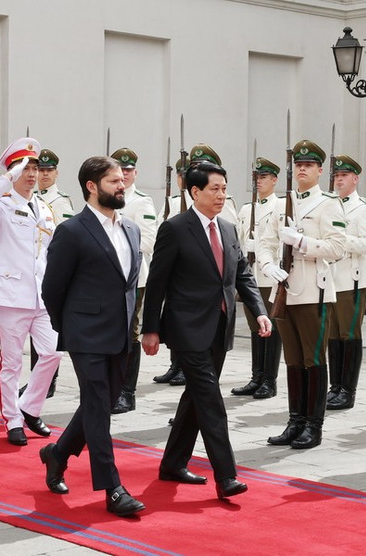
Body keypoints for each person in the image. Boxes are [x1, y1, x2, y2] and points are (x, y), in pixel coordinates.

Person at [142, 161, 272, 500]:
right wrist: (150, 329)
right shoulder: (175, 228)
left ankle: (172, 464)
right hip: (186, 328)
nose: (221, 195)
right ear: (195, 191)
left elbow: (242, 274)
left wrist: (258, 311)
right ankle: (226, 475)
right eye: (214, 189)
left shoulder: (228, 229)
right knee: (211, 400)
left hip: (220, 327)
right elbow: (157, 283)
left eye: (224, 188)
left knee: (196, 398)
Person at [39, 155, 145, 517]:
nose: (122, 186)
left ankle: (57, 453)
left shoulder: (130, 229)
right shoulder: (71, 231)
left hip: (121, 334)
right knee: (100, 408)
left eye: (122, 180)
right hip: (86, 335)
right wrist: (68, 327)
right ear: (92, 186)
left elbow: (129, 285)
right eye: (114, 181)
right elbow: (52, 288)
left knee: (100, 403)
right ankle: (112, 488)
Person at [257, 140, 347, 449]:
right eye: (298, 165)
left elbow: (337, 248)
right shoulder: (281, 203)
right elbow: (265, 242)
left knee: (313, 359)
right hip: (283, 290)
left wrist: (302, 242)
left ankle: (313, 424)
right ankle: (295, 421)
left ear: (320, 170)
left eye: (308, 165)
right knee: (293, 360)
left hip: (313, 292)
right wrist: (268, 266)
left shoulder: (329, 204)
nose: (302, 169)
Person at [0, 138, 62, 446]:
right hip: (11, 295)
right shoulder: (0, 205)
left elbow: (49, 251)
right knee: (11, 362)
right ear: (12, 173)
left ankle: (30, 407)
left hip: (40, 295)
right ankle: (12, 419)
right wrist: (7, 179)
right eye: (24, 168)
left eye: (35, 168)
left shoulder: (45, 207)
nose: (31, 174)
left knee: (53, 352)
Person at [20, 148, 74, 399]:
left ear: (56, 173)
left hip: (53, 270)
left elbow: (64, 241)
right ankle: (37, 379)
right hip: (36, 271)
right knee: (36, 331)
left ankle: (49, 382)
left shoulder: (60, 201)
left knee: (49, 329)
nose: (43, 175)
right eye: (40, 170)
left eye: (48, 171)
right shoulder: (31, 198)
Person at [327, 155, 366, 410]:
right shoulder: (330, 204)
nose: (339, 180)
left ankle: (348, 390)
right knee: (332, 335)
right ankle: (334, 387)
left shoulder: (364, 208)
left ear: (355, 179)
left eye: (343, 176)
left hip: (353, 279)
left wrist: (340, 240)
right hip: (331, 279)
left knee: (349, 334)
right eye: (336, 176)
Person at [110, 147, 157, 413]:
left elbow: (149, 241)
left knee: (130, 334)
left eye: (128, 170)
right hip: (107, 278)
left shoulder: (141, 202)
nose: (124, 175)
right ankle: (112, 386)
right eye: (120, 170)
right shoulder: (105, 197)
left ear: (135, 173)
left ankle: (127, 392)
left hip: (133, 279)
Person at [232, 156, 284, 399]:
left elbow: (282, 242)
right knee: (255, 327)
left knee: (270, 328)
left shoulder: (280, 206)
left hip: (268, 277)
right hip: (250, 276)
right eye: (256, 178)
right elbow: (239, 241)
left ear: (274, 180)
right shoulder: (246, 209)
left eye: (263, 177)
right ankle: (256, 376)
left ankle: (269, 380)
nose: (259, 181)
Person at [152, 156, 190, 387]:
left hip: (188, 271)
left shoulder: (199, 199)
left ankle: (185, 366)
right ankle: (175, 364)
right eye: (180, 175)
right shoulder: (173, 202)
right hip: (172, 270)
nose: (182, 179)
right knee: (173, 319)